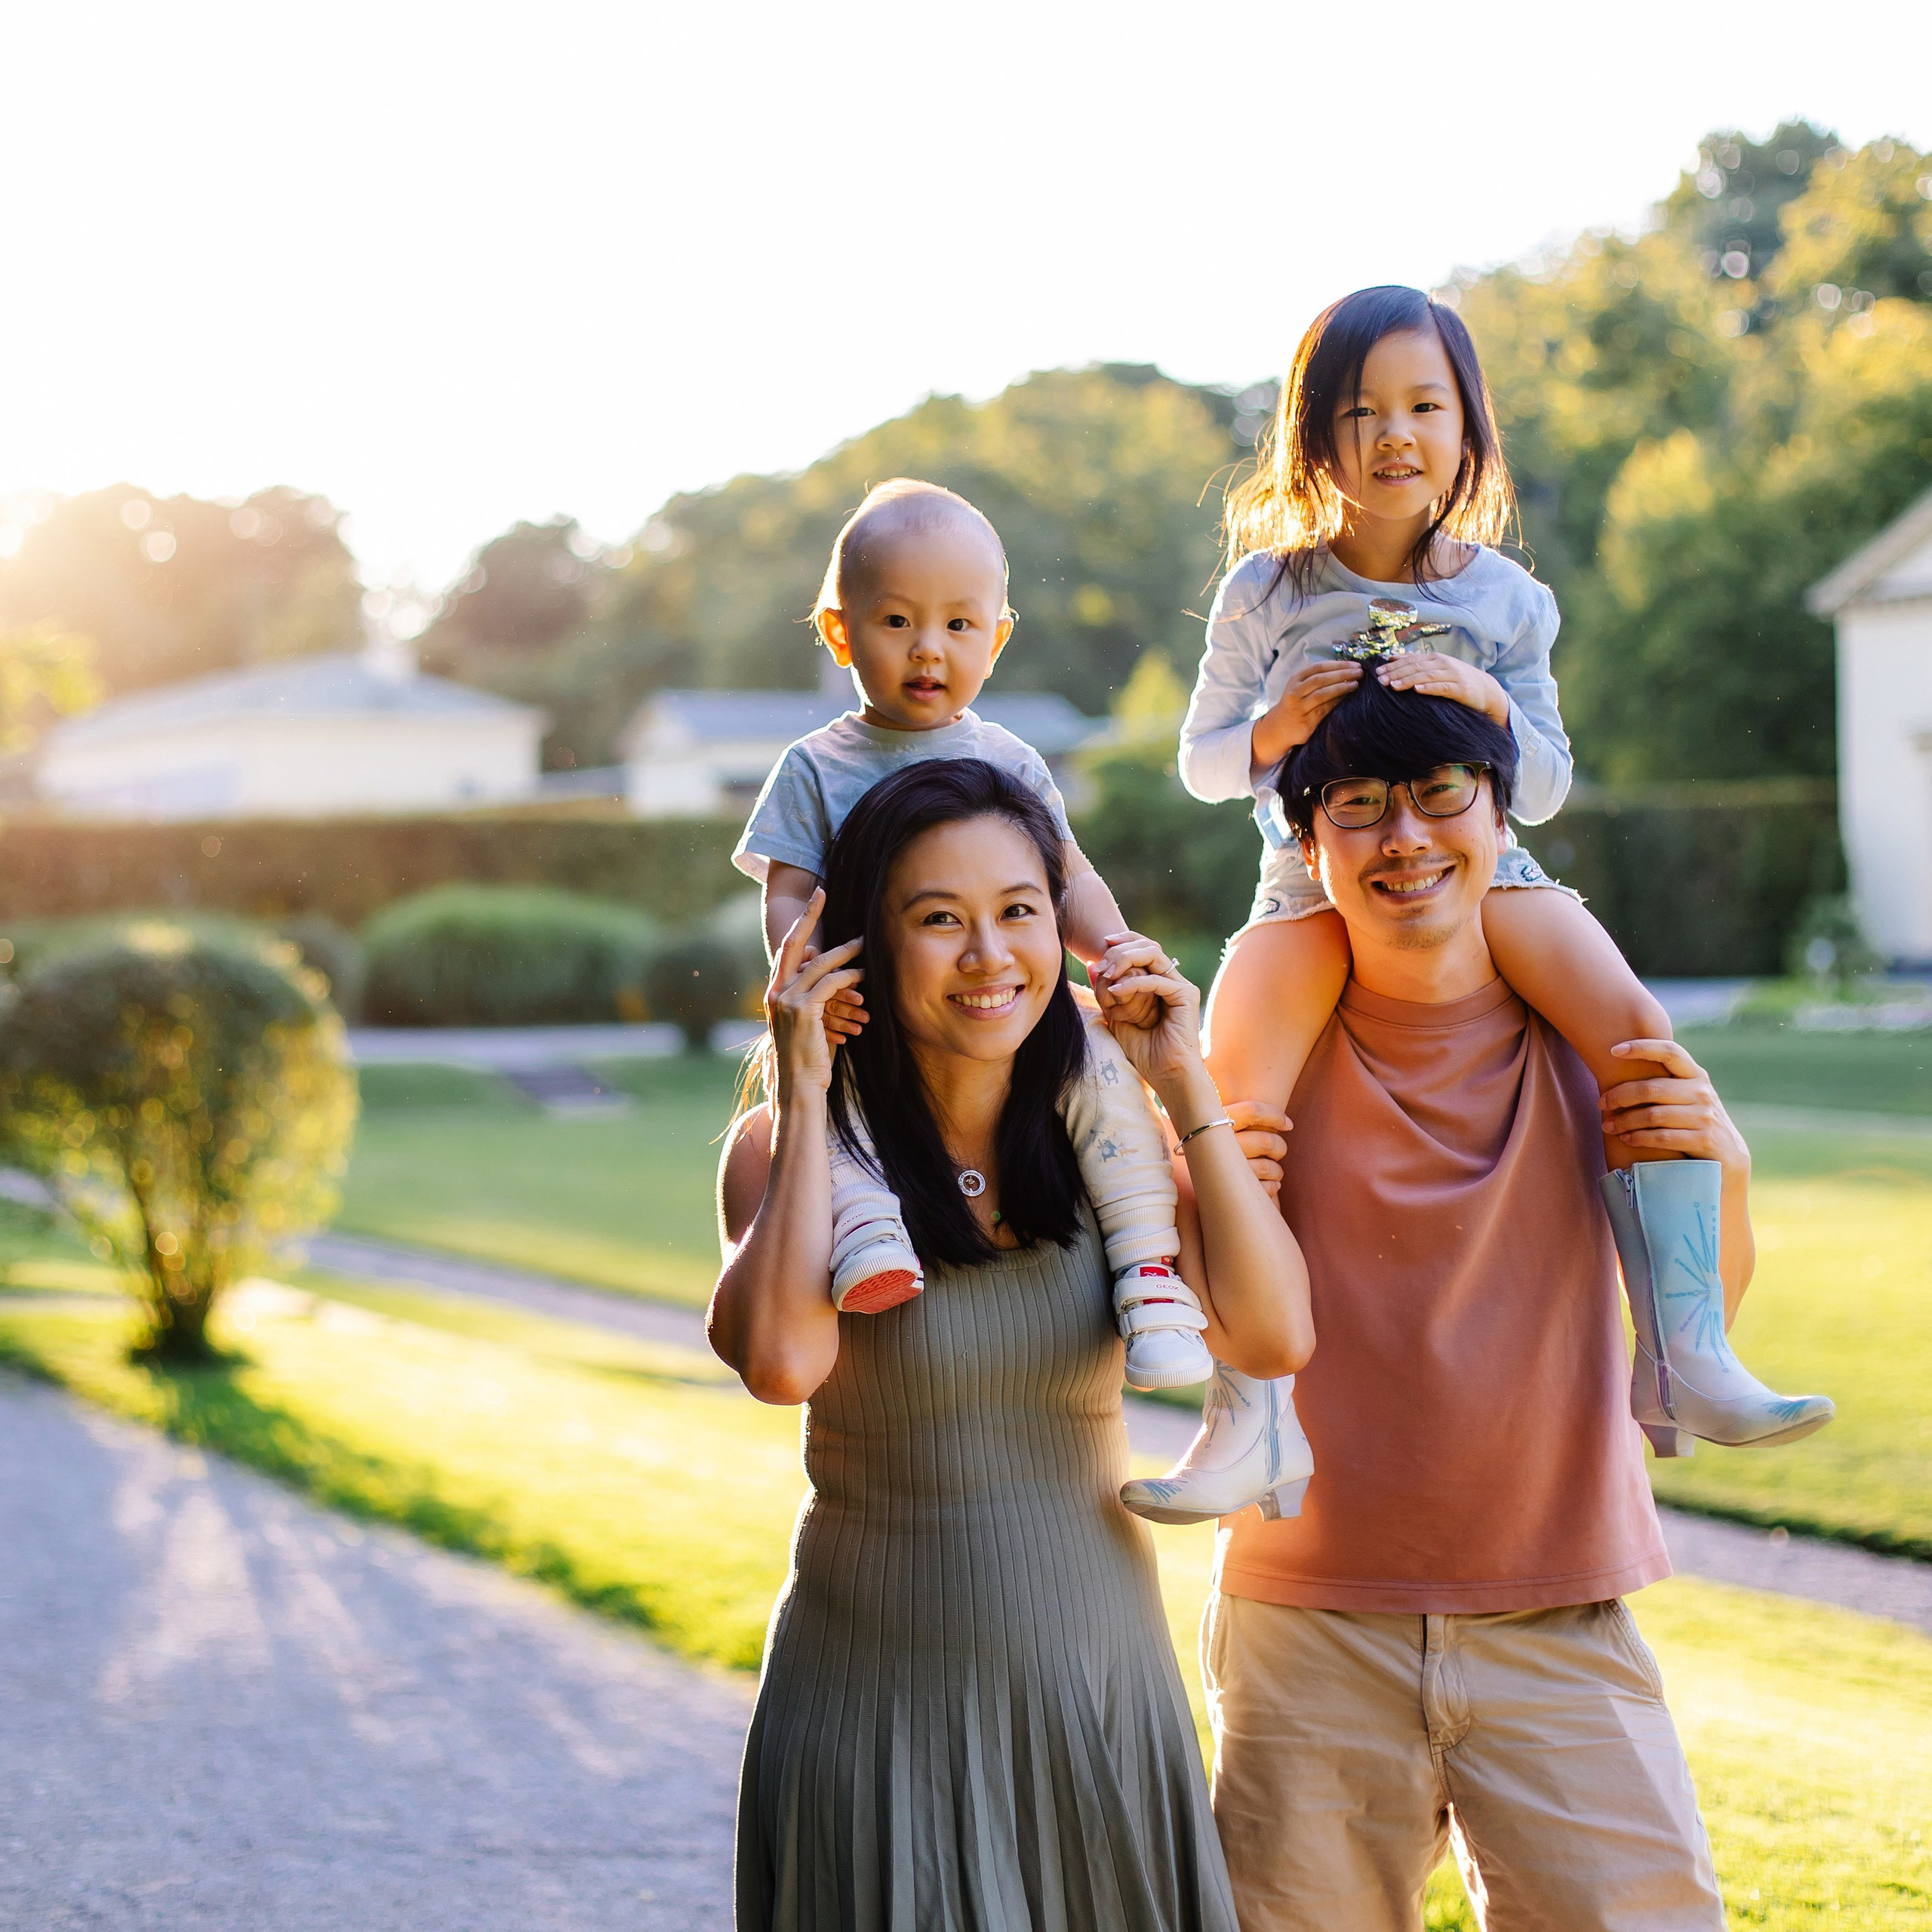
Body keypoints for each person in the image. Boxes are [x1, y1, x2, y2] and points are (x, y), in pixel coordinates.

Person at [1133, 283, 1827, 1522]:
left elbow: (1547, 788)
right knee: (1232, 1118)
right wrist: (1271, 731)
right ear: (1313, 438)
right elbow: (1196, 762)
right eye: (1361, 411)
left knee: (1640, 1045)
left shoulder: (1507, 600)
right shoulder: (1266, 593)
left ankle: (1685, 1352)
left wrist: (1498, 709)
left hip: (1492, 870)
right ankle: (1252, 1420)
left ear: (1468, 432)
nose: (1395, 434)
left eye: (1424, 406)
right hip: (1311, 883)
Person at [712, 758, 1312, 1932]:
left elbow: (1275, 1331)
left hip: (1098, 1694)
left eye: (1020, 912)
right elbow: (781, 1364)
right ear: (859, 946)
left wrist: (1182, 1077)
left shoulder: (1106, 1137)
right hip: (871, 1714)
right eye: (939, 920)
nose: (991, 957)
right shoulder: (790, 1152)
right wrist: (800, 1076)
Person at [1194, 668, 1741, 1928]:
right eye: (1359, 807)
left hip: (1559, 1611)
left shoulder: (1585, 1029)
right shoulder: (1267, 1024)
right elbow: (1225, 1314)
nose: (1404, 838)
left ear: (1499, 816)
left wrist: (1723, 1167)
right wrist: (1213, 1172)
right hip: (1306, 1624)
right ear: (1306, 836)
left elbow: (1709, 1301)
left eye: (1441, 794)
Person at [732, 478, 1211, 1392]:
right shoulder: (815, 766)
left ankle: (1149, 1272)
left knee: (1106, 1084)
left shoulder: (1008, 759)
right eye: (897, 621)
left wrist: (1110, 952)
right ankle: (866, 1229)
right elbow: (788, 892)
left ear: (996, 637)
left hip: (987, 1005)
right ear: (840, 633)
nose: (927, 649)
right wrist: (802, 990)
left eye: (959, 626)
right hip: (864, 1008)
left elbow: (1067, 877)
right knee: (836, 1107)